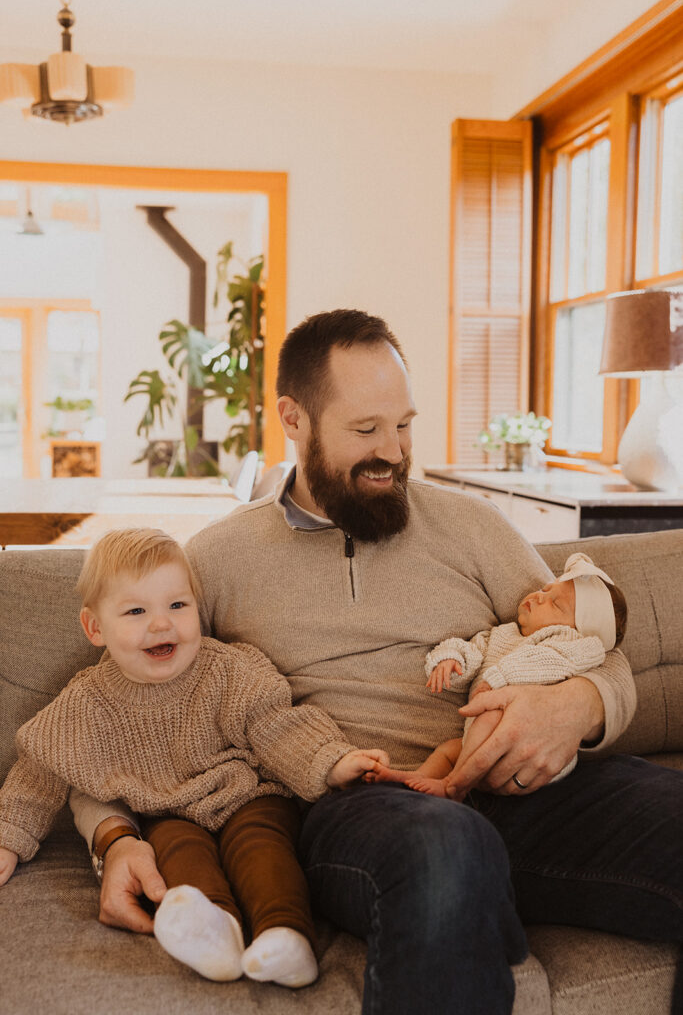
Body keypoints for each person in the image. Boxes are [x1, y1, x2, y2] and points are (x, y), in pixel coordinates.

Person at [69, 310, 683, 1015]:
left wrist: (578, 706)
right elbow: (107, 710)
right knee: (446, 851)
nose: (392, 451)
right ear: (293, 420)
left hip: (527, 789)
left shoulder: (472, 527)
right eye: (365, 430)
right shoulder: (215, 563)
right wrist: (112, 838)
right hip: (361, 809)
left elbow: (591, 651)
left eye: (404, 425)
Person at [0, 527, 388, 987]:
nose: (162, 624)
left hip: (249, 796)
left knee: (261, 845)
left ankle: (286, 936)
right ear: (95, 628)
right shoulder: (87, 701)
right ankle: (214, 933)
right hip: (167, 814)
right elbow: (40, 769)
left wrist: (332, 761)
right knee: (177, 853)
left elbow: (278, 724)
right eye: (137, 610)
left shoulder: (227, 669)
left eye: (177, 606)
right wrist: (8, 837)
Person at [368, 552, 628, 798]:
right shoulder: (504, 634)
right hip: (482, 740)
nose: (539, 596)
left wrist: (496, 679)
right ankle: (419, 779)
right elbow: (474, 648)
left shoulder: (570, 642)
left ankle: (453, 785)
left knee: (490, 714)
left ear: (580, 628)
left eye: (555, 604)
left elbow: (542, 663)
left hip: (534, 753)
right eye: (546, 589)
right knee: (448, 750)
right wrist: (451, 660)